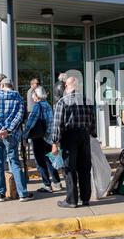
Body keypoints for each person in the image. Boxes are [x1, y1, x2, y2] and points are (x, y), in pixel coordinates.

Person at [52, 76, 96, 208]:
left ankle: (71, 200)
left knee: (69, 169)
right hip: (84, 136)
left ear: (66, 86)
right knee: (84, 168)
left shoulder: (63, 102)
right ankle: (85, 198)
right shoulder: (87, 100)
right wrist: (93, 134)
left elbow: (57, 124)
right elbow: (92, 120)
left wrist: (54, 142)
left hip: (69, 136)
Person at [0, 78, 33, 202]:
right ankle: (22, 193)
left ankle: (0, 194)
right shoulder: (18, 97)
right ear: (11, 86)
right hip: (11, 135)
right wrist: (7, 130)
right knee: (14, 162)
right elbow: (19, 116)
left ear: (1, 85)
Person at [23, 87, 62, 193]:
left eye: (33, 95)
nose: (32, 97)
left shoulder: (37, 106)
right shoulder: (48, 105)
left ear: (37, 95)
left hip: (39, 138)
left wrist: (24, 136)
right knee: (49, 161)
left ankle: (47, 185)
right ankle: (57, 182)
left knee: (40, 162)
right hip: (48, 138)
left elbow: (30, 122)